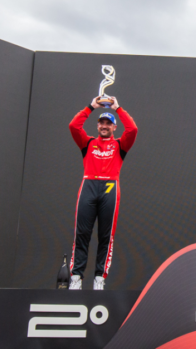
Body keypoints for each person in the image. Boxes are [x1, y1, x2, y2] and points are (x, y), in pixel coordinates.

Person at [68, 96, 137, 290]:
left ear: (114, 127)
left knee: (106, 236)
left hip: (110, 188)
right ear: (97, 126)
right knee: (82, 233)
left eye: (109, 123)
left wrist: (118, 109)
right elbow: (74, 126)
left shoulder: (120, 145)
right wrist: (91, 107)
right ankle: (76, 278)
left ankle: (99, 278)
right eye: (102, 123)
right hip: (88, 185)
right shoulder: (87, 143)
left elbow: (133, 129)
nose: (104, 126)